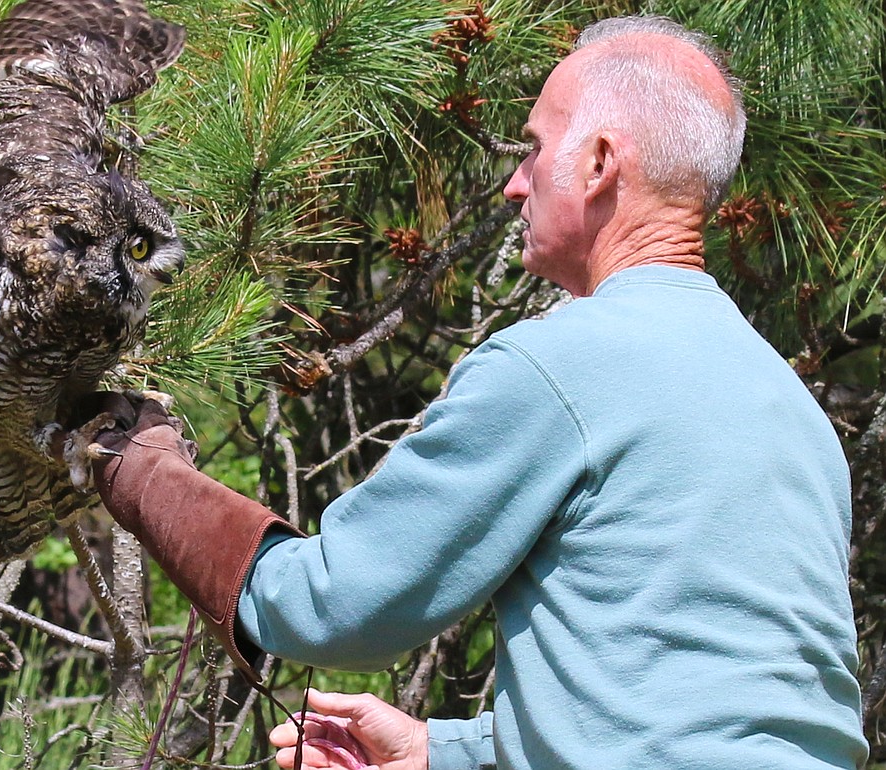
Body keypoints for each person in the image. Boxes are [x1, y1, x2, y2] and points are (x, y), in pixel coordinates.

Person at [93, 15, 869, 770]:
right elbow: (699, 700)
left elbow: (333, 606)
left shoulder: (560, 365)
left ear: (599, 164)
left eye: (533, 150)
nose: (512, 184)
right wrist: (442, 750)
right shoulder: (791, 406)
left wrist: (139, 472)